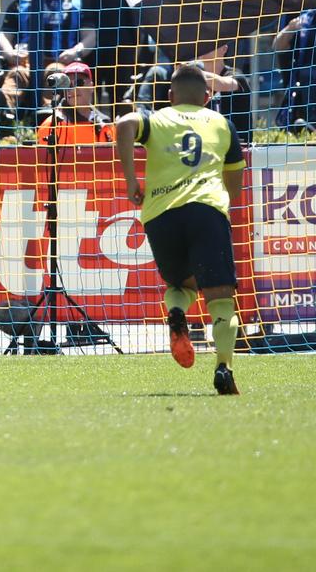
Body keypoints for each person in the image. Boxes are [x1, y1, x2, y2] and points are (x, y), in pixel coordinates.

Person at [114, 61, 244, 395]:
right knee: (220, 296)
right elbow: (235, 180)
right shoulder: (221, 123)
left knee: (181, 283)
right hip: (206, 210)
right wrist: (223, 202)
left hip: (160, 214)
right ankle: (224, 368)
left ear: (171, 95)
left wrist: (132, 181)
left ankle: (175, 311)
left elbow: (124, 124)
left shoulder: (157, 119)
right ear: (207, 96)